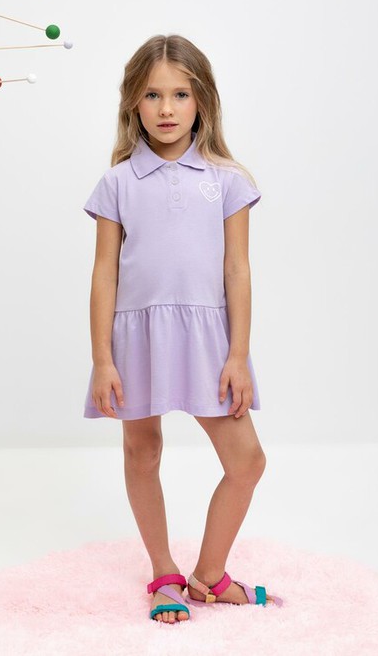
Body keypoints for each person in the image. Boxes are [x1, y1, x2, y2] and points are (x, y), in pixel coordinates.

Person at [82, 34, 283, 623]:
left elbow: (237, 270)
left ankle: (209, 574)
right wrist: (102, 359)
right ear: (133, 103)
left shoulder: (227, 179)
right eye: (152, 95)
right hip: (135, 337)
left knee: (246, 461)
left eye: (180, 94)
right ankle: (164, 571)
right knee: (142, 450)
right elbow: (104, 274)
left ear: (202, 101)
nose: (166, 109)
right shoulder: (117, 183)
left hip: (208, 339)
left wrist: (238, 354)